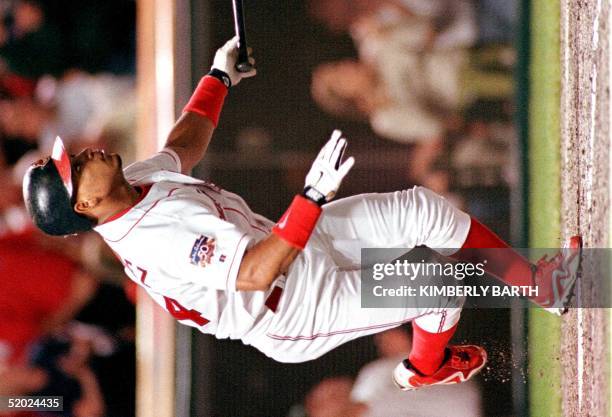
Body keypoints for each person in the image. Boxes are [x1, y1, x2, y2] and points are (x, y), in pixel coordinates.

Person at [22, 37, 581, 390]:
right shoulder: (153, 238)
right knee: (436, 282)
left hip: (291, 246)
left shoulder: (130, 185)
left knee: (423, 210)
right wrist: (310, 199)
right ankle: (428, 367)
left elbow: (183, 146)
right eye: (76, 168)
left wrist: (217, 79)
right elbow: (255, 272)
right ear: (86, 205)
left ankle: (541, 285)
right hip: (289, 309)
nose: (83, 152)